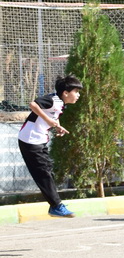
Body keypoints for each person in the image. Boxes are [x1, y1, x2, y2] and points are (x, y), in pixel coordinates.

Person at [18, 75, 83, 218]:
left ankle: (55, 205)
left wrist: (57, 126)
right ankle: (56, 206)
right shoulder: (53, 99)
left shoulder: (60, 103)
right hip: (30, 140)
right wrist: (48, 120)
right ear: (66, 93)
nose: (78, 95)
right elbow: (33, 105)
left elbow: (53, 115)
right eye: (76, 92)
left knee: (47, 170)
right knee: (44, 173)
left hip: (38, 140)